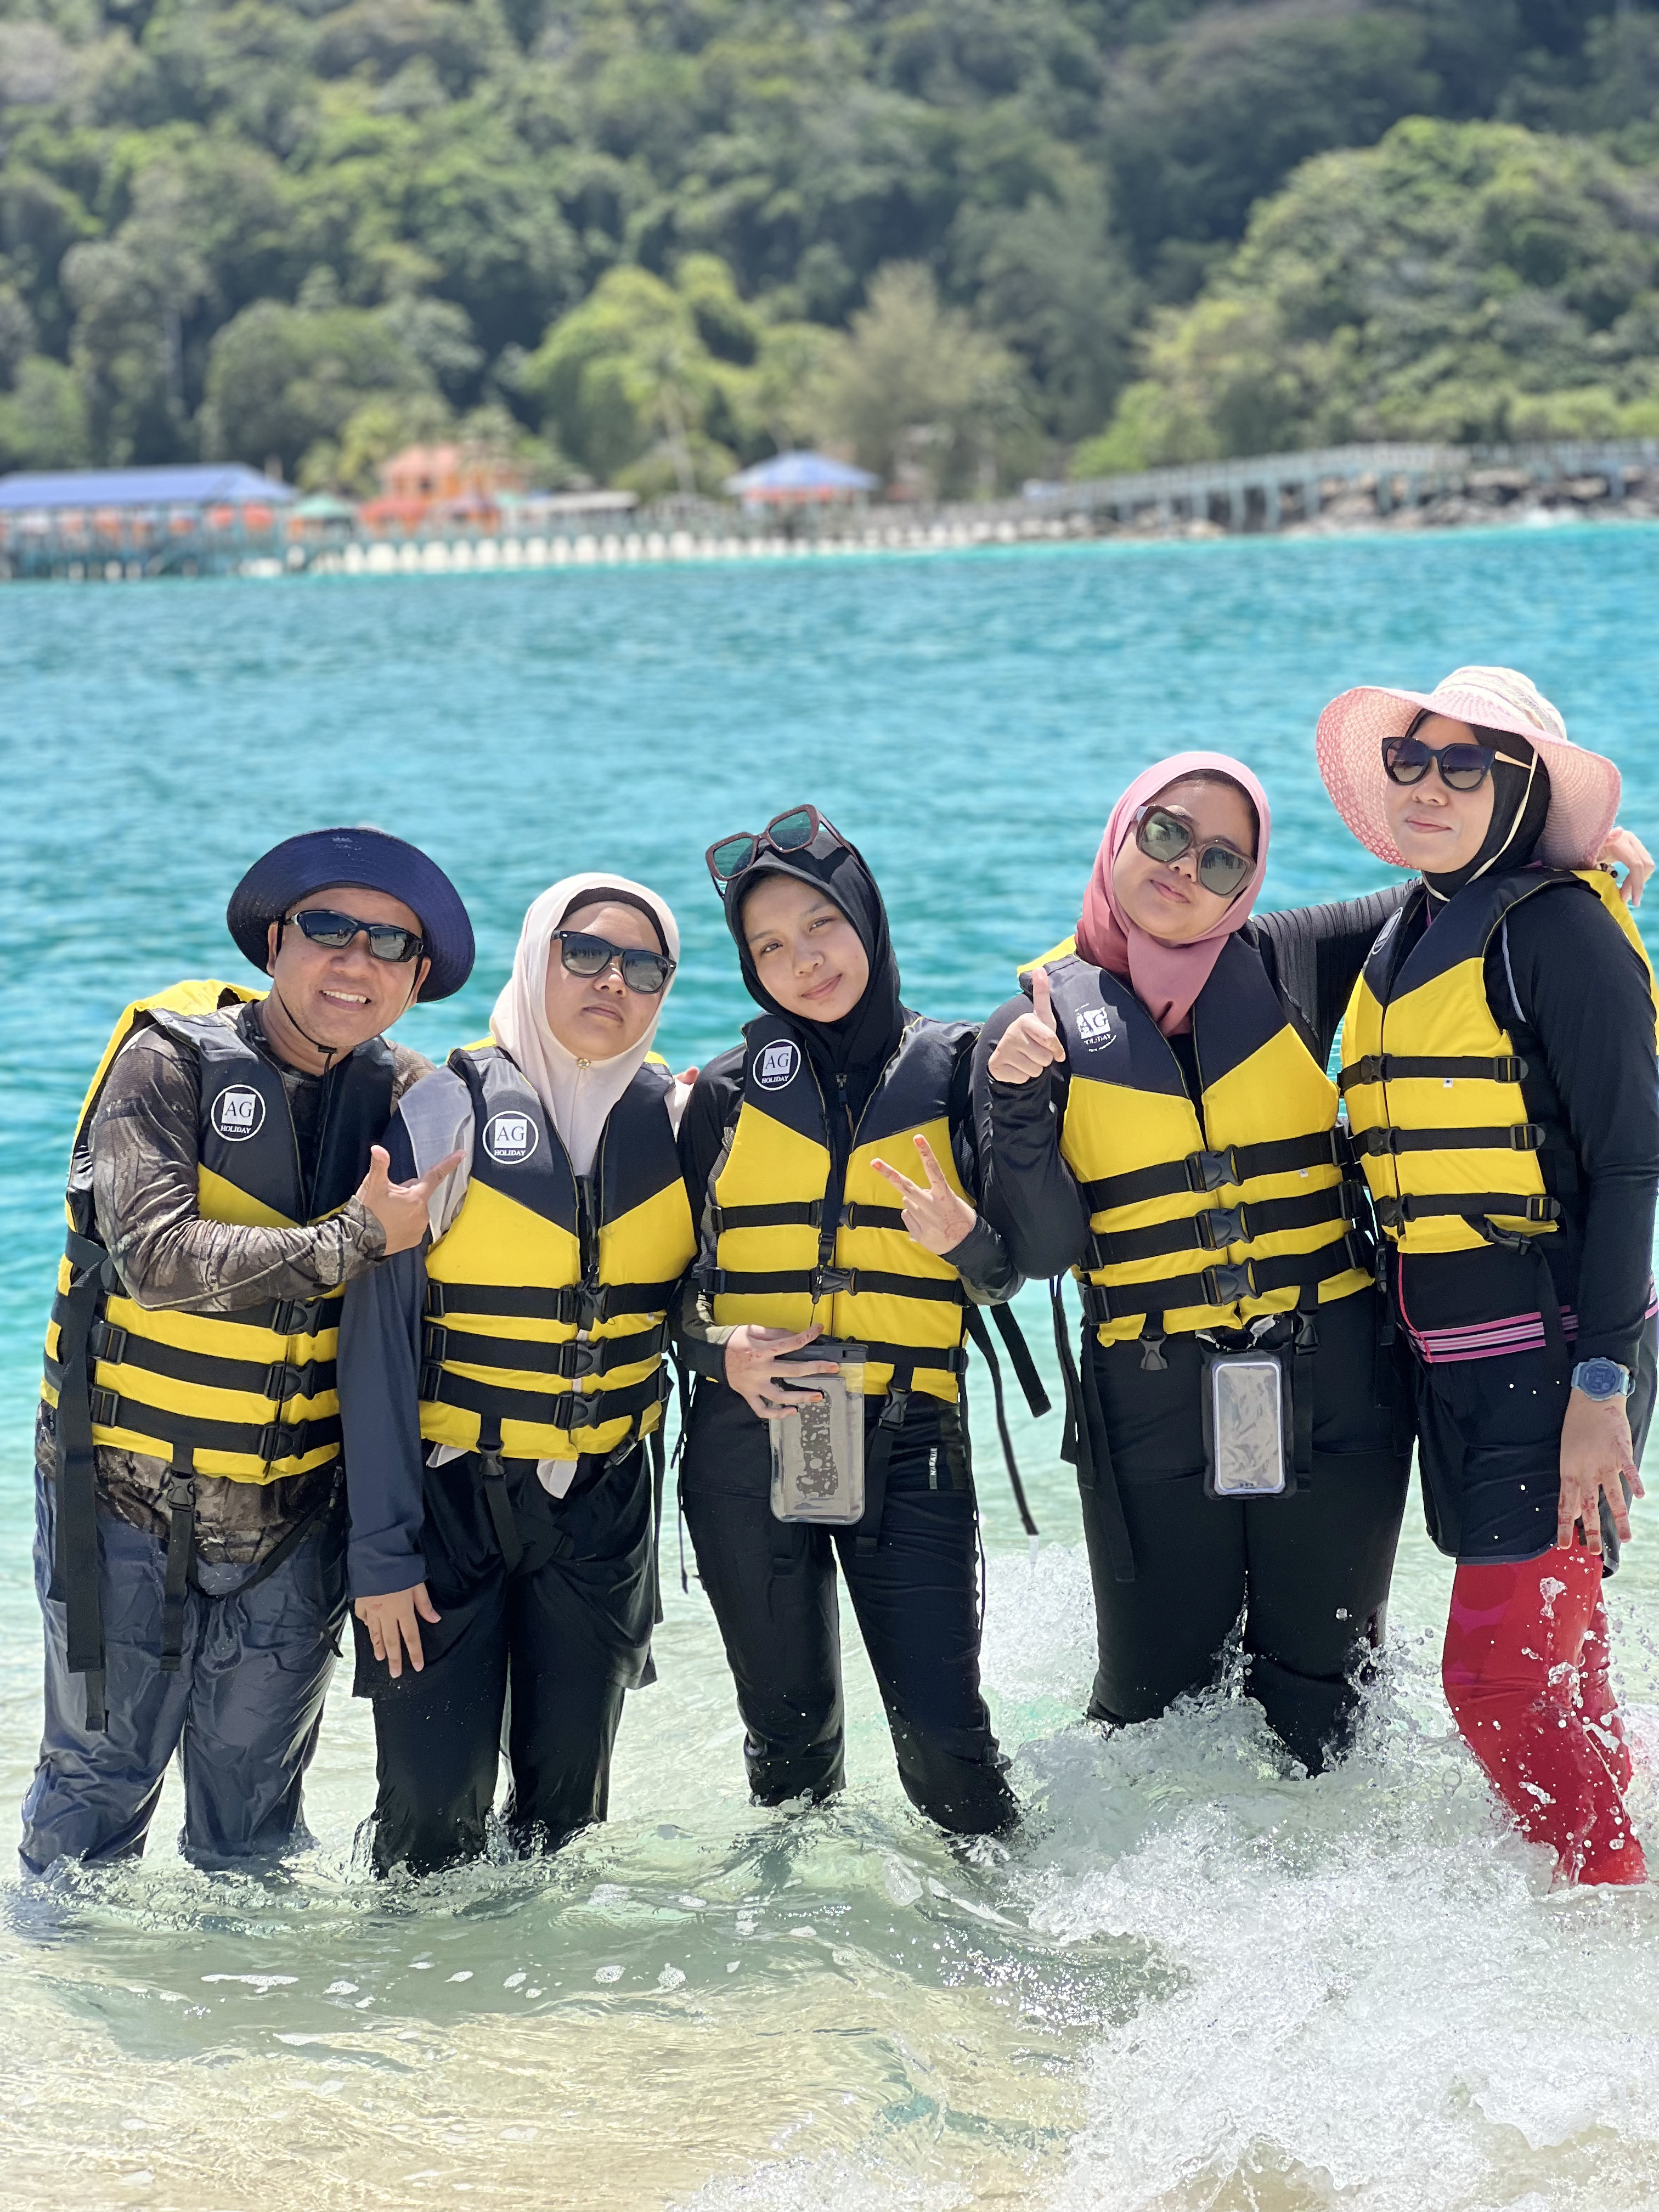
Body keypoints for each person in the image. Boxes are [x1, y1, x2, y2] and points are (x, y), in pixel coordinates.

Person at [22, 827, 472, 1874]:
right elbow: (154, 1256)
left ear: (415, 981)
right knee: (94, 1788)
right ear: (276, 944)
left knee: (255, 1823)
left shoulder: (408, 1097)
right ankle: (56, 1978)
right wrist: (355, 1238)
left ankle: (247, 1980)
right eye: (329, 929)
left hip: (295, 1520)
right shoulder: (165, 1062)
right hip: (122, 1499)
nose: (355, 961)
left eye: (389, 945)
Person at [975, 756, 1422, 1773]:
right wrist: (1015, 1101)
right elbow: (1041, 1252)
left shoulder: (1290, 960)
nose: (1185, 869)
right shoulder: (1029, 1025)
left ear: (1247, 887)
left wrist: (1572, 852)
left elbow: (1451, 882)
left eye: (1223, 861)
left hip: (1337, 1385)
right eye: (1167, 834)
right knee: (1150, 1712)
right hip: (1150, 1400)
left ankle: (1330, 1875)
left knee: (1327, 1705)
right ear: (1123, 832)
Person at [1318, 665, 1658, 1884]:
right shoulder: (1409, 929)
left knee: (1494, 1681)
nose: (1430, 785)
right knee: (1561, 1669)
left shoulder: (1560, 932)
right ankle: (1613, 1894)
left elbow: (1631, 1164)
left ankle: (1605, 1901)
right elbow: (1216, 939)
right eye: (1411, 760)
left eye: (1467, 765)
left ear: (1522, 793)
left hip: (1557, 1365)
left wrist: (1603, 1386)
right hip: (1455, 1369)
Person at [675, 806, 1029, 1837]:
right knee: (787, 1750)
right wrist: (719, 1352)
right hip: (748, 1442)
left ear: (866, 917)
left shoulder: (960, 1068)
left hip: (910, 1438)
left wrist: (965, 1239)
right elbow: (670, 1296)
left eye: (820, 925)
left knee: (947, 1747)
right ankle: (795, 1936)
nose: (804, 961)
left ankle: (1003, 1925)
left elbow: (1008, 1275)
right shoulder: (723, 1095)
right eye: (769, 947)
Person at [338, 874, 697, 1876]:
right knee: (427, 1825)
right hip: (449, 1509)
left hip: (603, 1509)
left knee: (566, 1828)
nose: (612, 981)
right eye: (585, 952)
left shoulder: (677, 1122)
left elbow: (700, 1302)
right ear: (538, 956)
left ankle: (547, 1986)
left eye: (645, 967)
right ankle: (414, 1976)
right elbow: (375, 1352)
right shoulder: (444, 1112)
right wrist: (381, 1557)